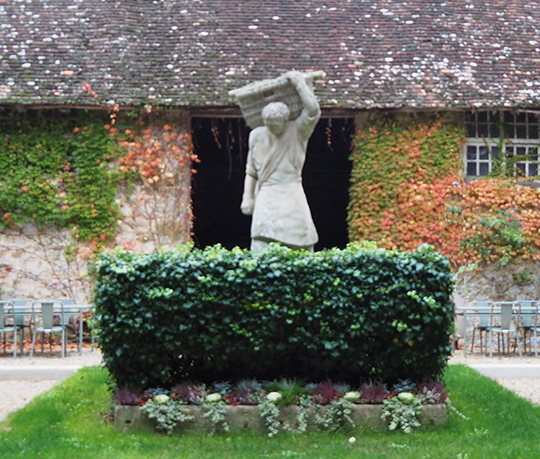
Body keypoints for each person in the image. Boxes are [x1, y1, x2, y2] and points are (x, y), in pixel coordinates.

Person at [240, 71, 321, 252]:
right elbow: (251, 171)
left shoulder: (297, 131)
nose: (272, 128)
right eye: (268, 124)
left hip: (292, 190)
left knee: (303, 241)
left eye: (276, 124)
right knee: (261, 240)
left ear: (285, 120)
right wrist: (248, 197)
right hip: (267, 192)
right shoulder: (257, 135)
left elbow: (313, 111)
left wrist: (300, 84)